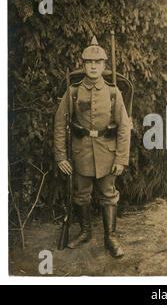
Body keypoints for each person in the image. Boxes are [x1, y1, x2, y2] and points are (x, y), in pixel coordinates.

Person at [54, 36, 130, 258]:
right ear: (83, 65)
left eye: (98, 63)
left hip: (108, 152)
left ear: (104, 66)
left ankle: (110, 237)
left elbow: (124, 128)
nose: (93, 67)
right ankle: (85, 231)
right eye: (89, 62)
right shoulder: (73, 92)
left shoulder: (114, 92)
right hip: (81, 153)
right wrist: (61, 156)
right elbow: (59, 125)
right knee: (81, 195)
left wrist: (121, 159)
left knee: (109, 194)